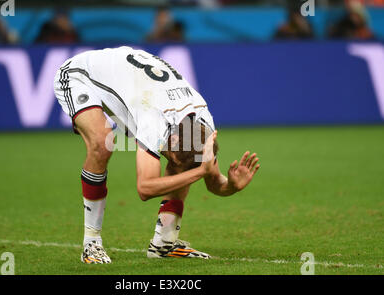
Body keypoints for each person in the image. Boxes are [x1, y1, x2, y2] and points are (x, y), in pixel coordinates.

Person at [53, 46, 260, 264]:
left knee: (185, 168)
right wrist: (199, 171)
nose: (170, 163)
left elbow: (213, 181)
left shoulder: (203, 127)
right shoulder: (153, 122)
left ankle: (164, 244)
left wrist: (232, 186)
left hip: (133, 85)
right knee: (102, 144)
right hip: (80, 73)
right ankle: (91, 243)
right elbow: (145, 188)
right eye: (171, 159)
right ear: (171, 140)